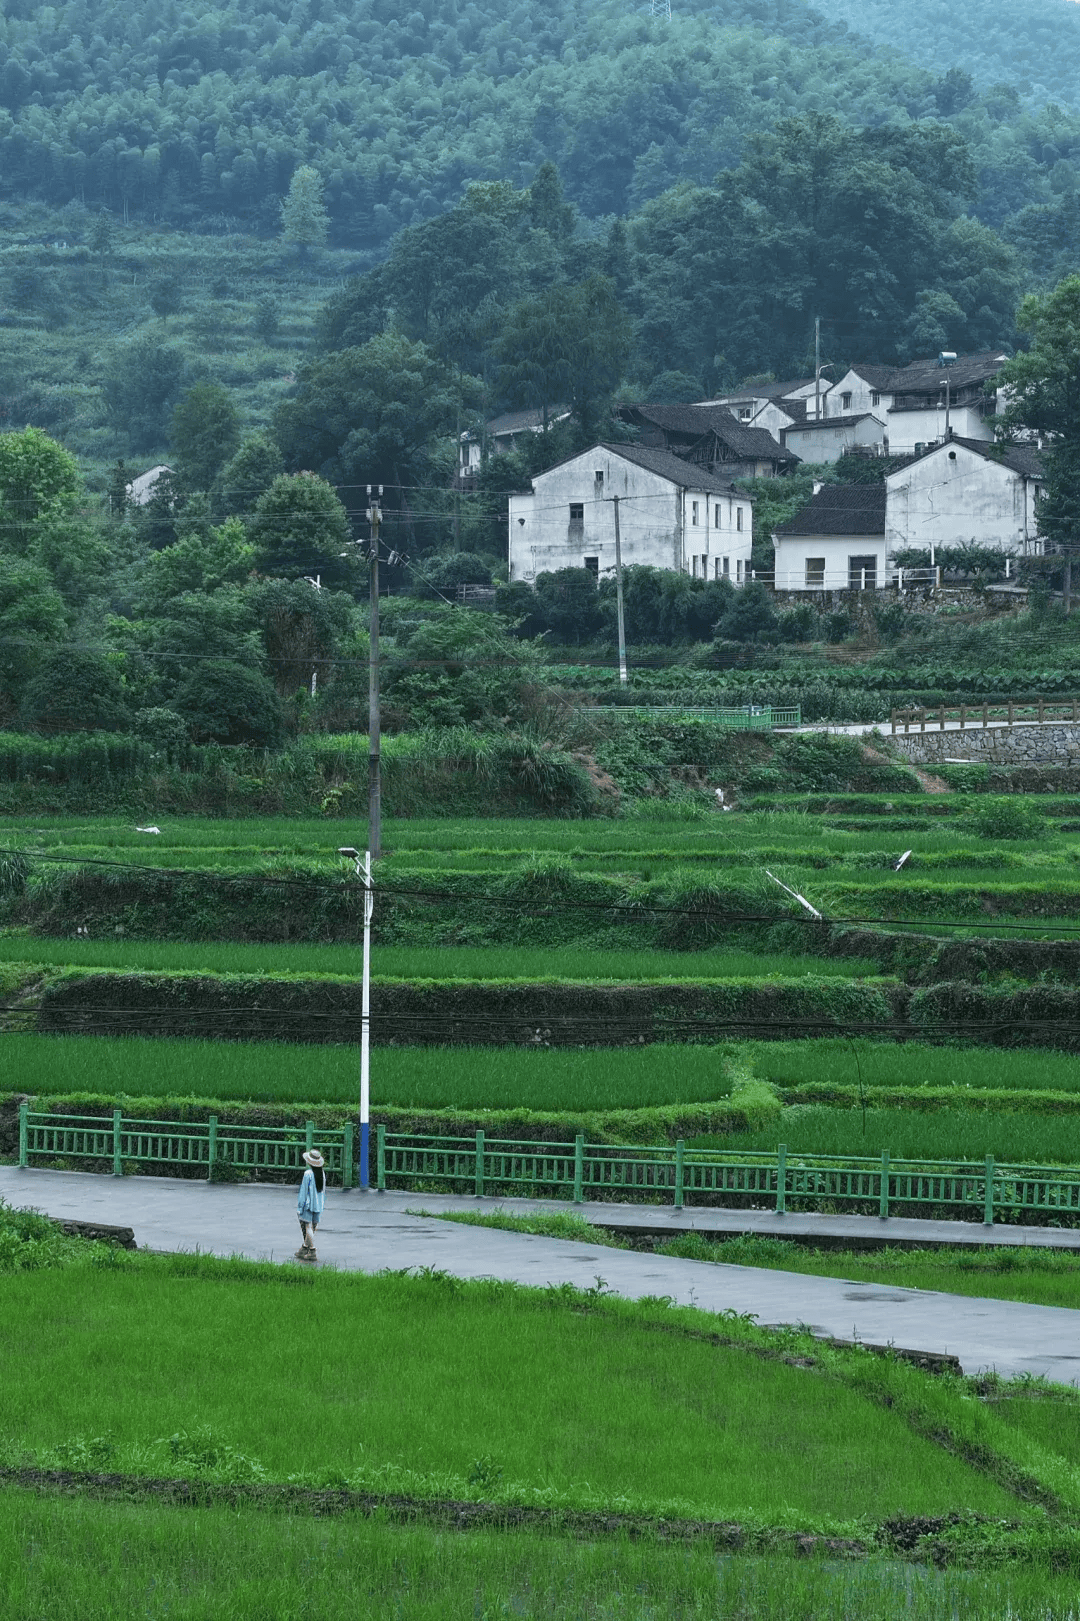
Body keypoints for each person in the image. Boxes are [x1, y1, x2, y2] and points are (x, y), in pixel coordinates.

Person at [296, 1148, 326, 1261]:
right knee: (312, 1227)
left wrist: (300, 1206)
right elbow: (323, 1190)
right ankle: (304, 1248)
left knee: (308, 1227)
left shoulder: (308, 1174)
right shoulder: (322, 1174)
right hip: (318, 1204)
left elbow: (303, 1192)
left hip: (308, 1204)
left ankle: (312, 1250)